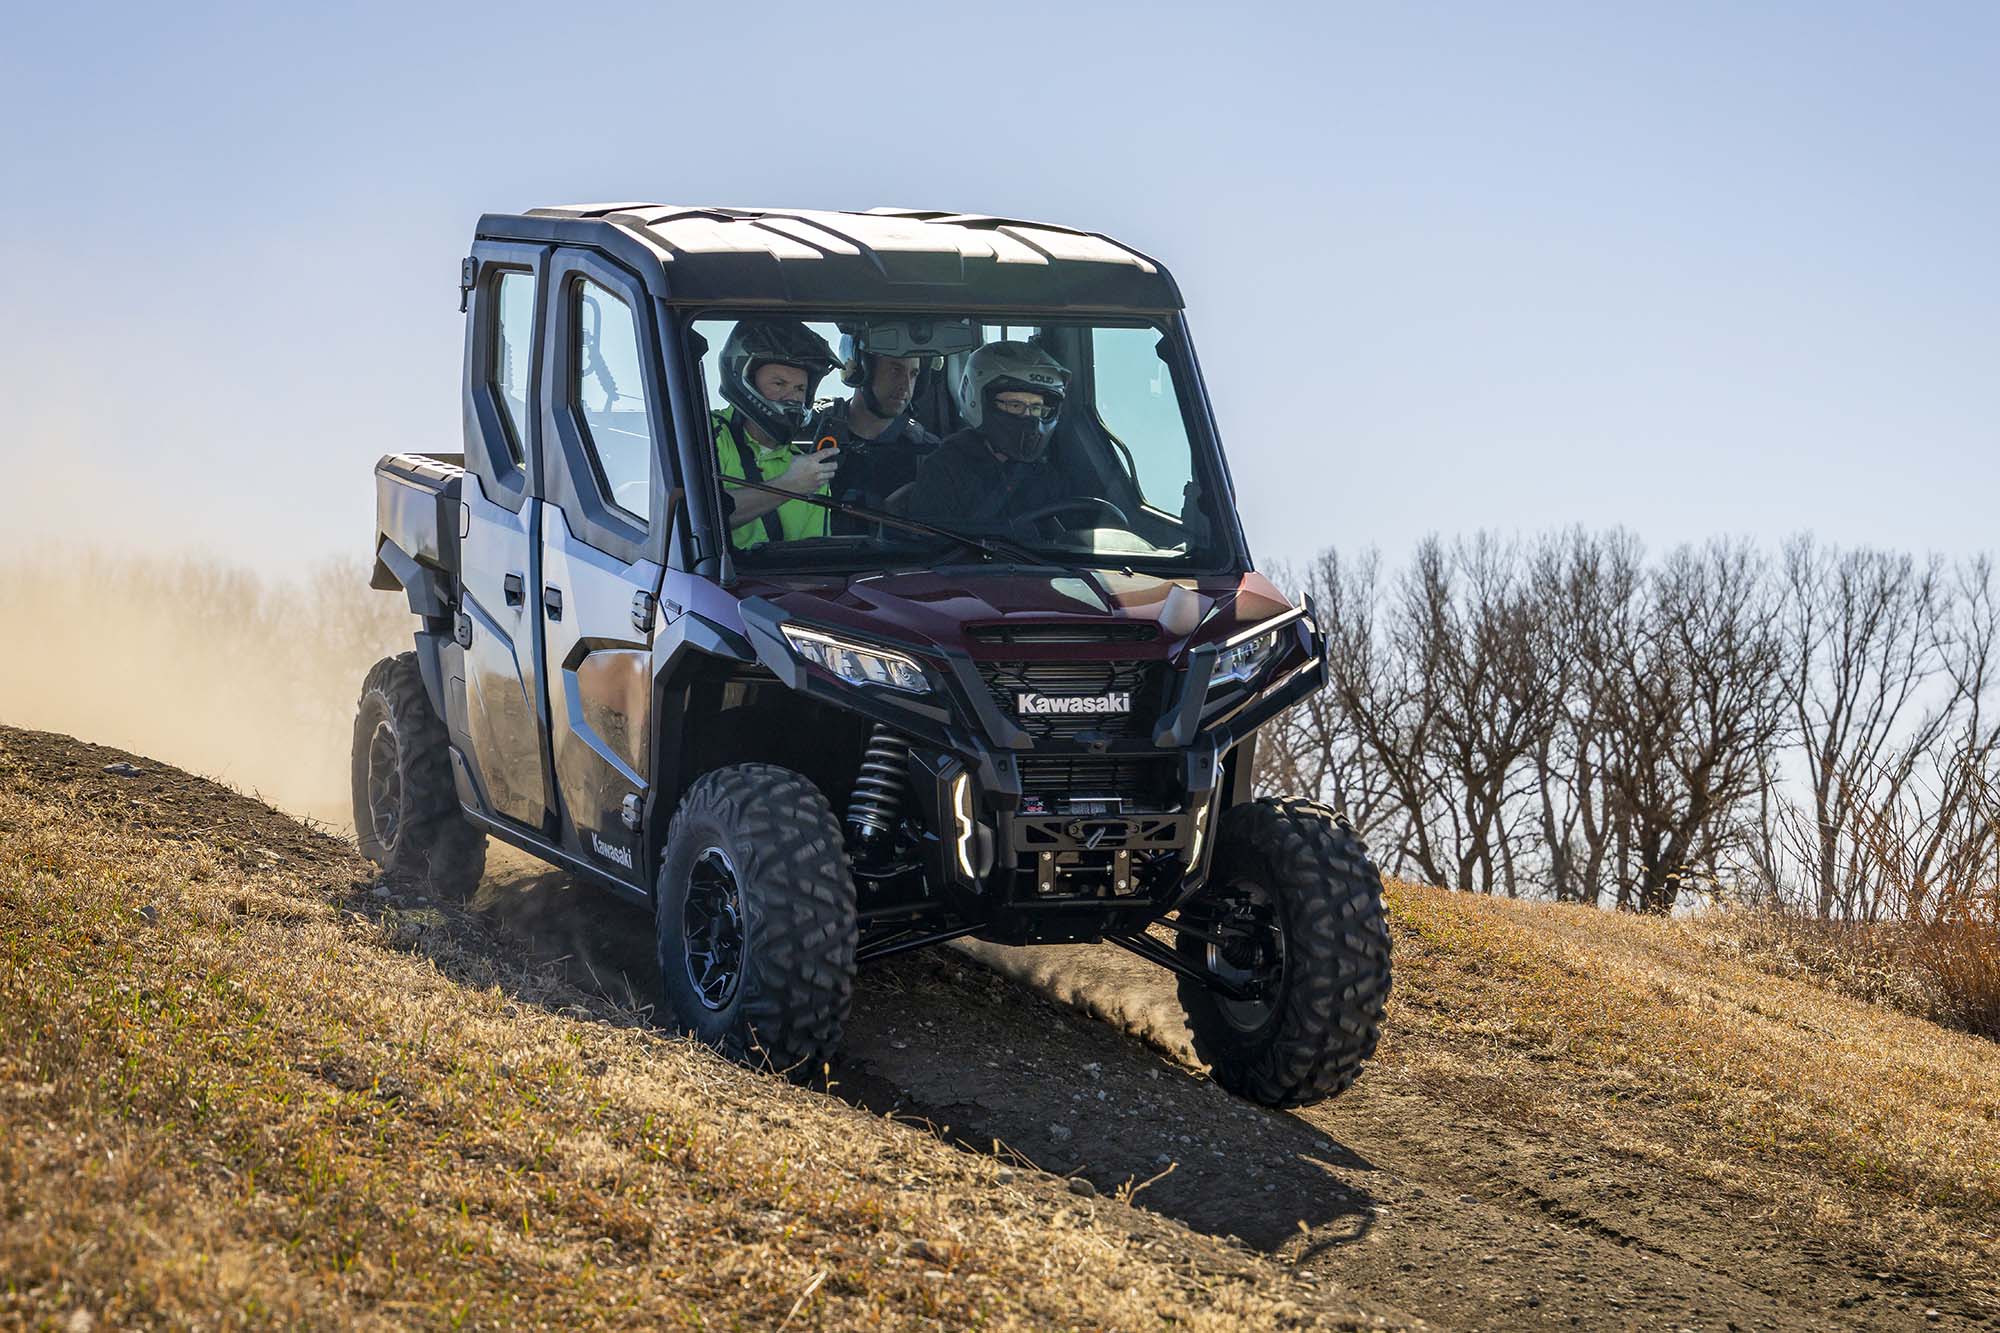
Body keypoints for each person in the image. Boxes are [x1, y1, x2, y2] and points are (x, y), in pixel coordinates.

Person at [809, 320, 967, 527]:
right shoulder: (812, 435)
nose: (905, 386)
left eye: (913, 374)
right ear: (859, 369)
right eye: (895, 370)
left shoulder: (928, 453)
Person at [898, 340, 1071, 527]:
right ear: (978, 401)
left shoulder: (1044, 473)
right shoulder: (945, 470)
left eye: (1036, 408)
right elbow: (932, 548)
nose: (1029, 418)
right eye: (1015, 405)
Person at [711, 320, 840, 548]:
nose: (792, 397)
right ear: (745, 379)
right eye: (779, 383)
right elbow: (699, 518)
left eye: (800, 389)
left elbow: (813, 559)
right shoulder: (706, 435)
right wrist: (789, 486)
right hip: (711, 579)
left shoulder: (811, 471)